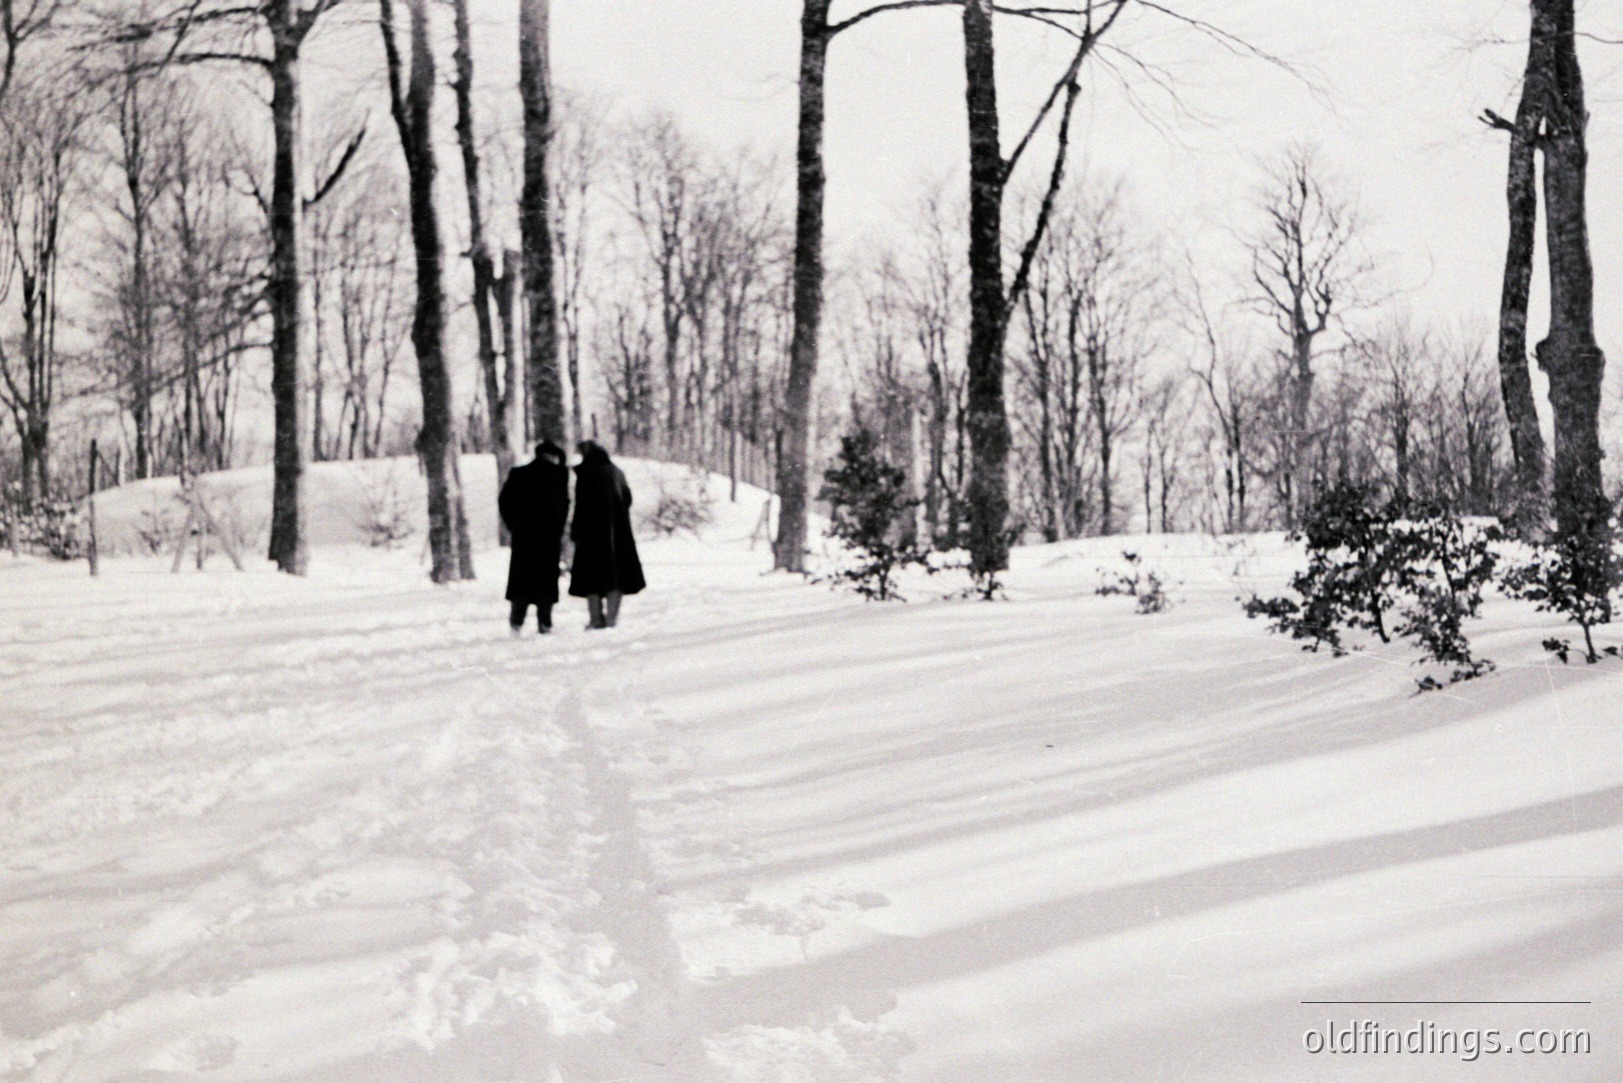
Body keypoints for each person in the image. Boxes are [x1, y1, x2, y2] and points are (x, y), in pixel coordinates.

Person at [568, 441, 645, 629]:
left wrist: (576, 531)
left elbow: (581, 506)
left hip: (590, 534)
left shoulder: (586, 473)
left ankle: (595, 618)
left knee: (591, 578)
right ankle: (612, 618)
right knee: (615, 577)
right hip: (617, 534)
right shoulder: (616, 472)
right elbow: (627, 499)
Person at [498, 441, 569, 634]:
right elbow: (562, 505)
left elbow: (504, 502)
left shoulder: (518, 474)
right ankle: (544, 622)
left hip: (523, 536)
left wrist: (514, 525)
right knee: (545, 580)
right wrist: (558, 529)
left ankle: (516, 621)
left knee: (521, 579)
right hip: (548, 536)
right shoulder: (558, 474)